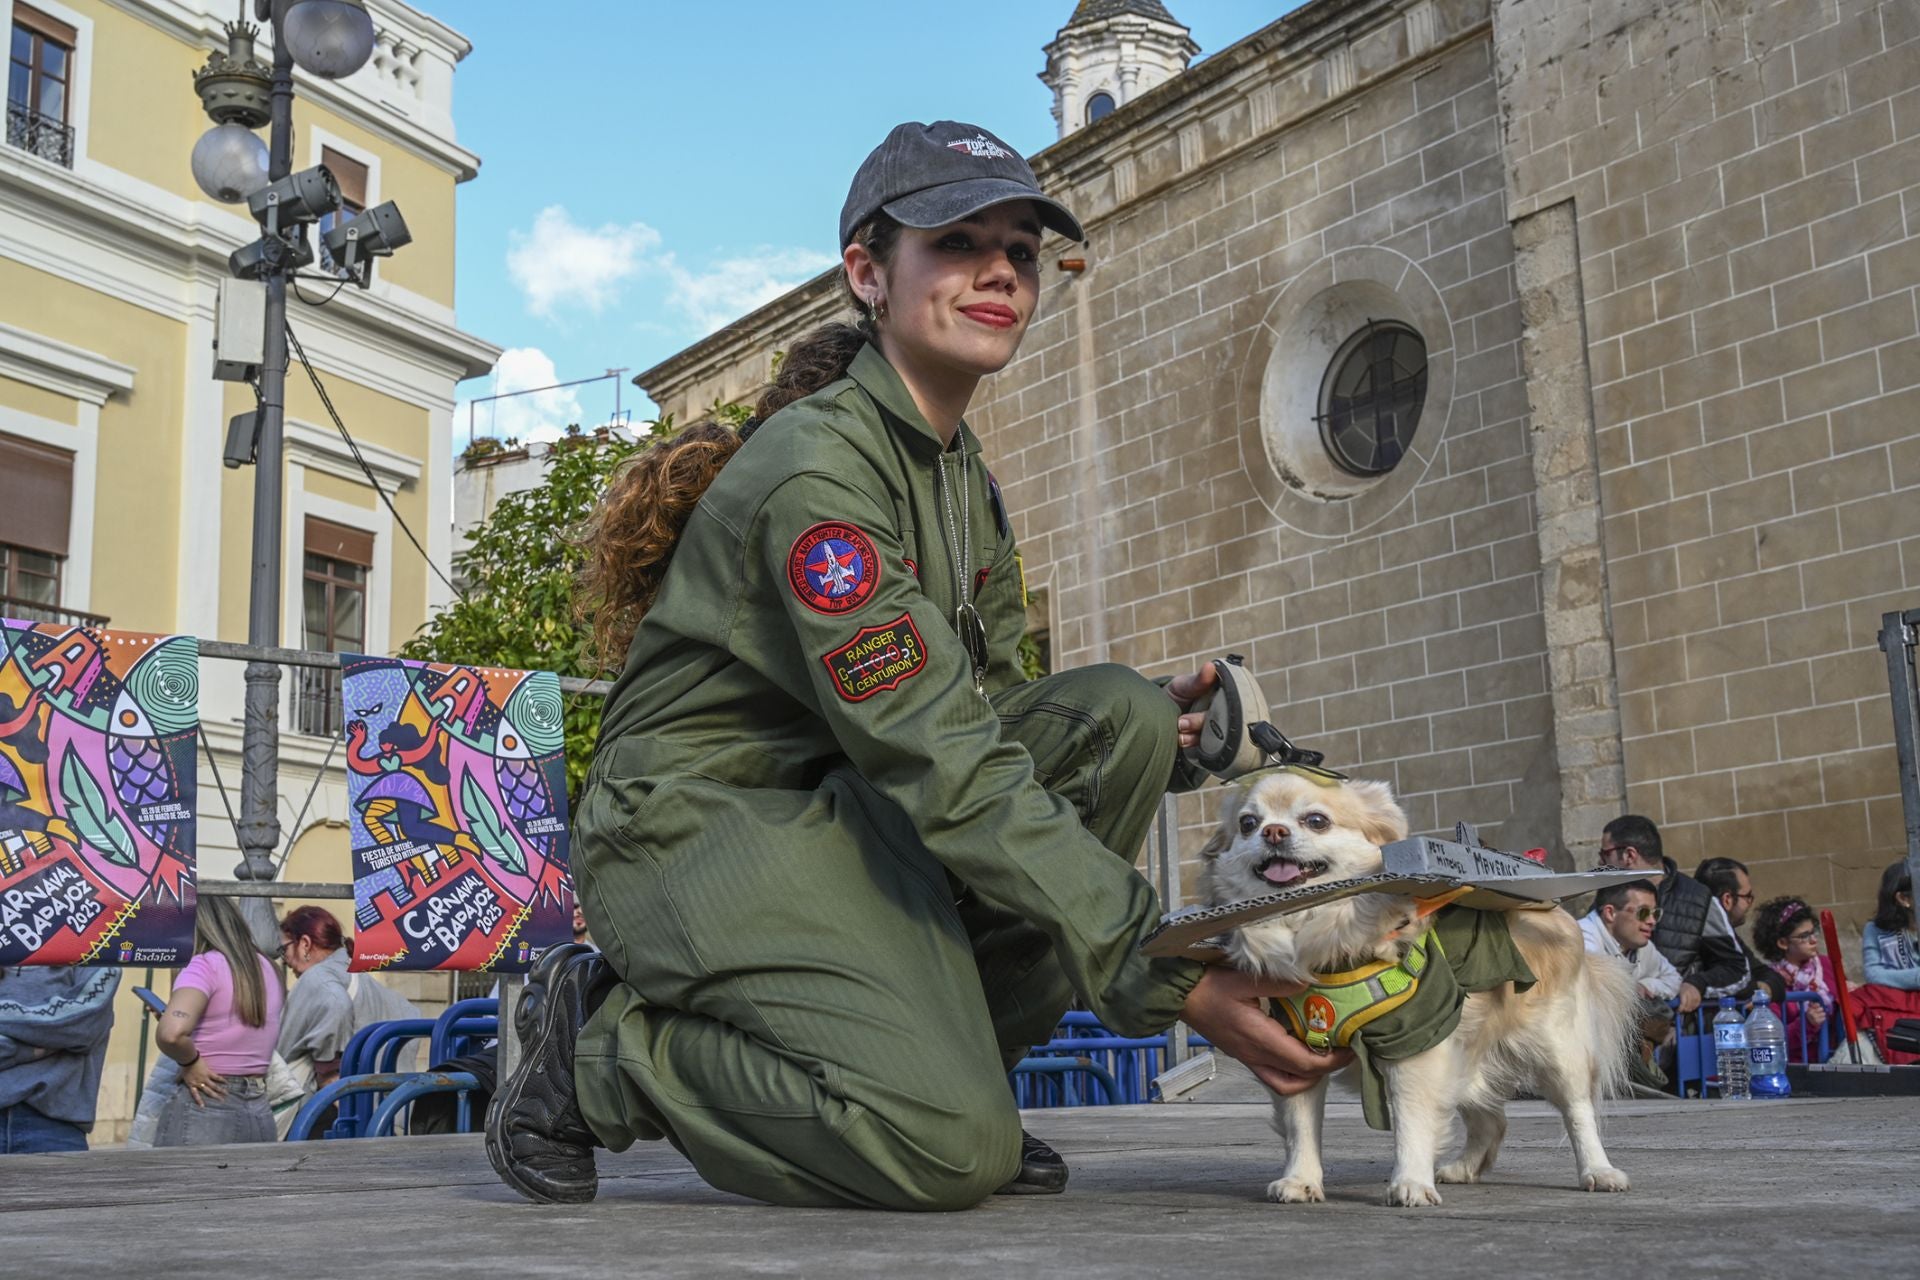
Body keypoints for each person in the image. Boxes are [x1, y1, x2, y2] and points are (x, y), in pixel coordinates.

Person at [488, 119, 1349, 1212]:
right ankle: (607, 1052)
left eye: (1021, 249)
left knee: (1119, 716)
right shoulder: (819, 474)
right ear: (867, 273)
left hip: (837, 809)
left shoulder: (958, 474)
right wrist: (1171, 965)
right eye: (956, 241)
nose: (999, 268)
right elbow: (943, 759)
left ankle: (947, 1076)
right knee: (947, 1151)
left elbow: (981, 712)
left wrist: (1167, 743)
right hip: (696, 825)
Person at [154, 895, 284, 1146]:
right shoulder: (268, 968)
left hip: (207, 1102)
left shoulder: (203, 965)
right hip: (259, 1109)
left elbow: (171, 1033)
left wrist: (190, 1061)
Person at [1598, 816, 1747, 1014]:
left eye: (1605, 854)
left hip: (1682, 1030)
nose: (1600, 862)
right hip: (1622, 1029)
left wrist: (1698, 984)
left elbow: (1736, 969)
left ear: (1629, 855)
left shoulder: (1698, 899)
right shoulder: (1607, 899)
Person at [0, 963, 121, 1153]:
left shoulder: (94, 946)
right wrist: (44, 1044)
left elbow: (85, 1025)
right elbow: (74, 1026)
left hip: (55, 1128)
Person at [1578, 879, 1678, 1088]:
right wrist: (1632, 986)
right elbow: (1598, 985)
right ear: (1610, 913)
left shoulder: (1642, 946)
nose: (1652, 921)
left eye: (1655, 913)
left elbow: (1673, 979)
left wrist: (1647, 985)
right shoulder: (1581, 938)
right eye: (1643, 913)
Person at [1750, 896, 1833, 1063]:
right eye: (1804, 936)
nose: (1813, 940)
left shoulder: (1826, 964)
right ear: (1782, 943)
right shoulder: (1771, 982)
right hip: (1795, 1067)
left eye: (1813, 932)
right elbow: (1770, 1036)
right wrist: (1806, 1024)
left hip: (1831, 1059)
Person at [1693, 856, 1785, 1005]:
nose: (1750, 903)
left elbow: (1769, 976)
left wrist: (1764, 989)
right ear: (1727, 899)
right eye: (1747, 896)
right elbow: (1737, 980)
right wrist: (1751, 989)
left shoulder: (1730, 936)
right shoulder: (1700, 935)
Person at [1857, 861, 1920, 1065]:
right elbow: (1873, 973)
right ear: (1904, 898)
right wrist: (1916, 977)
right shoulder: (1875, 929)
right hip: (1891, 1007)